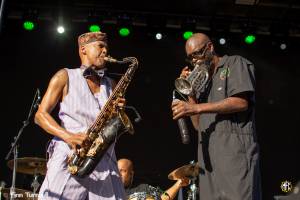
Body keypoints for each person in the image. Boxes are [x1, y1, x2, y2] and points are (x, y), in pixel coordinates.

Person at [34, 32, 126, 200]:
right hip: (71, 157)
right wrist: (68, 136)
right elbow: (40, 115)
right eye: (100, 46)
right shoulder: (65, 76)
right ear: (83, 49)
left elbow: (112, 124)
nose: (105, 51)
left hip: (103, 159)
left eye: (106, 47)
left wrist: (118, 112)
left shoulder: (112, 84)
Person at [171, 33, 261, 200]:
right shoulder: (202, 84)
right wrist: (190, 94)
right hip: (208, 161)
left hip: (235, 155)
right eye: (190, 58)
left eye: (197, 54)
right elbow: (198, 126)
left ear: (210, 47)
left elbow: (241, 102)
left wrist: (196, 107)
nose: (195, 61)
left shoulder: (235, 63)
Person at [117, 158, 189, 200]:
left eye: (122, 171)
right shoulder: (110, 190)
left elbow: (164, 197)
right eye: (116, 171)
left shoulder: (143, 188)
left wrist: (178, 184)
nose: (118, 174)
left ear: (131, 174)